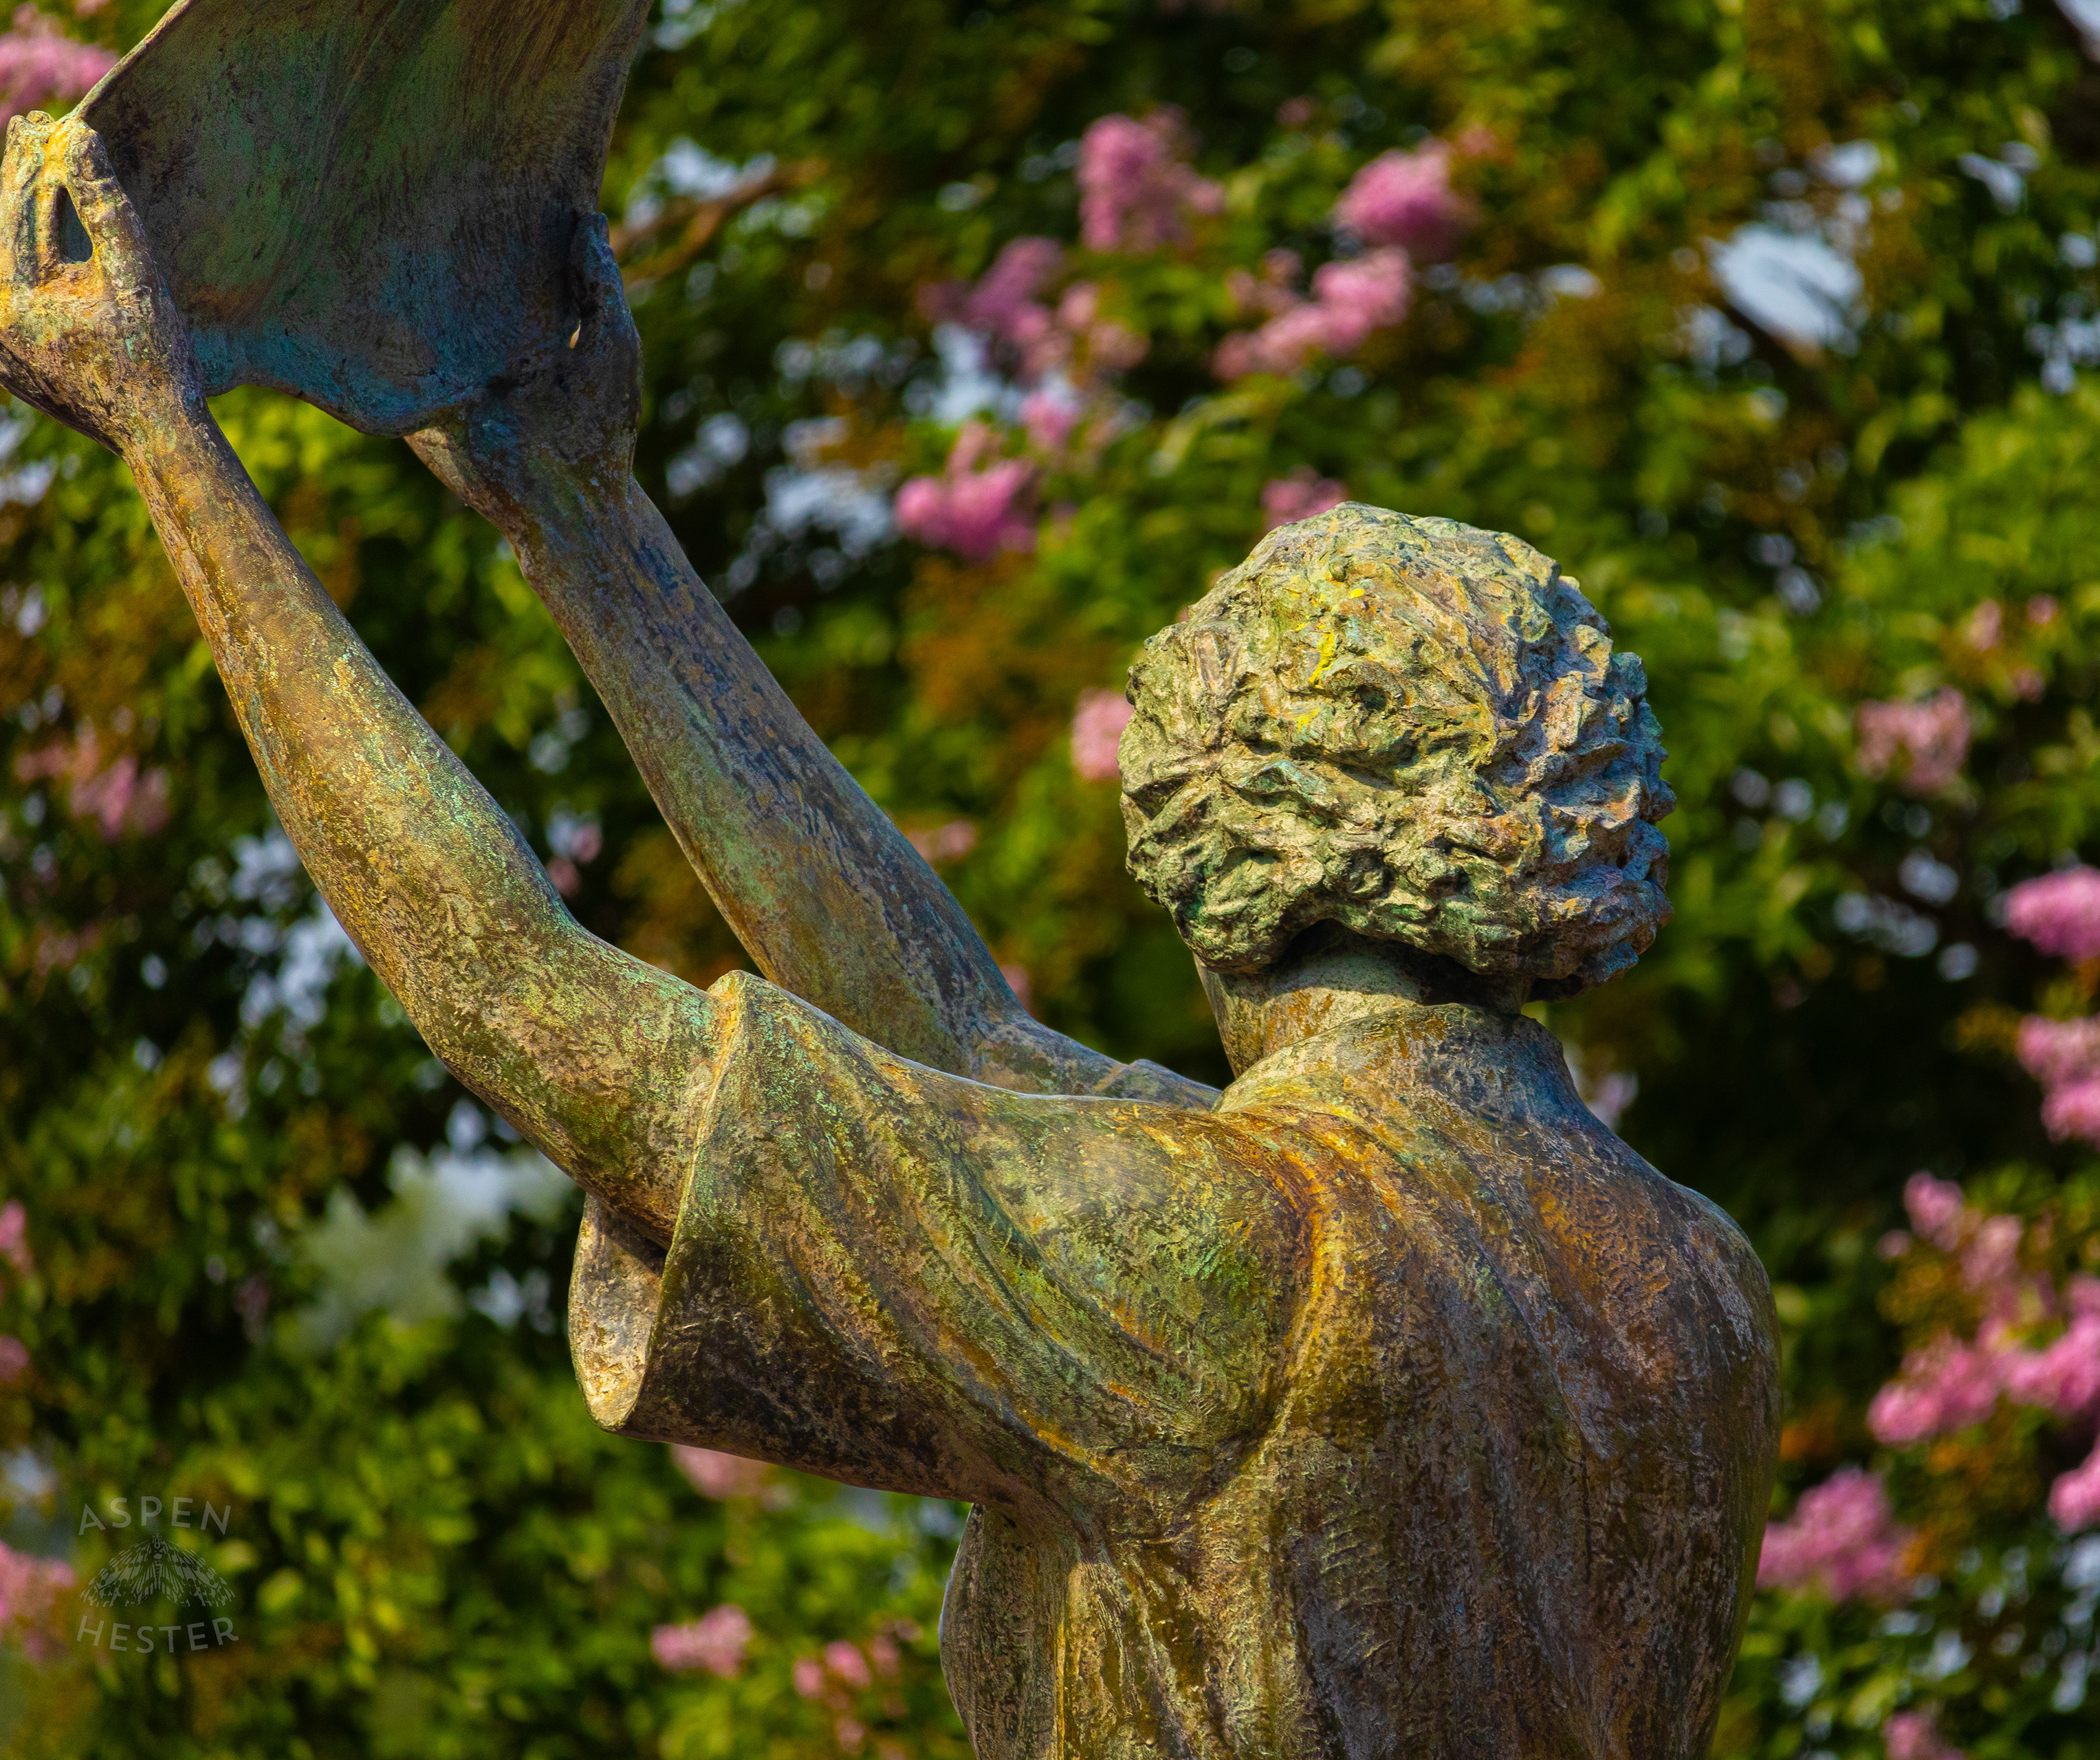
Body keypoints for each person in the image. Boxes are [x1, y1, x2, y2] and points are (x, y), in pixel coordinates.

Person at [0, 113, 1780, 1757]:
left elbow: (515, 987)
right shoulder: (1697, 1287)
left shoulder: (1243, 1261)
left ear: (1226, 841)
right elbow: (953, 1027)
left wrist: (167, 435)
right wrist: (580, 508)